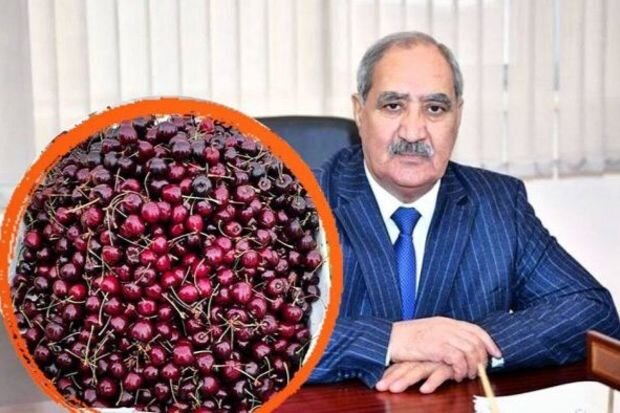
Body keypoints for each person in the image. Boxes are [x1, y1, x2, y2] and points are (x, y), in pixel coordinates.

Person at [309, 31, 620, 394]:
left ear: (458, 116)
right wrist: (390, 340)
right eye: (393, 106)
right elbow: (251, 338)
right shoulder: (299, 202)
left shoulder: (498, 203)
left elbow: (591, 311)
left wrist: (469, 348)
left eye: (435, 108)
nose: (413, 132)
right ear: (360, 112)